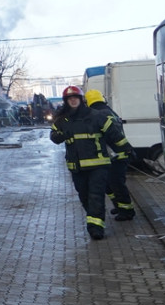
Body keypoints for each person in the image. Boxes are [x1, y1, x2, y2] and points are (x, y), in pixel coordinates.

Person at [49, 85, 132, 240]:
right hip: (77, 167)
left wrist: (126, 148)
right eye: (69, 98)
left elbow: (114, 134)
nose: (73, 100)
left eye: (75, 97)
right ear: (66, 101)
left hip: (98, 165)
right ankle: (94, 220)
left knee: (96, 195)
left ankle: (96, 228)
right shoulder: (63, 120)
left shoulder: (97, 116)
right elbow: (53, 137)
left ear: (81, 99)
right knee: (84, 196)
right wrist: (61, 135)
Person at [84, 88, 137, 221]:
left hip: (116, 155)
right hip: (116, 154)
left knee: (117, 184)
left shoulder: (99, 114)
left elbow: (110, 135)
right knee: (110, 184)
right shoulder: (109, 111)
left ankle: (127, 211)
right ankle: (120, 206)